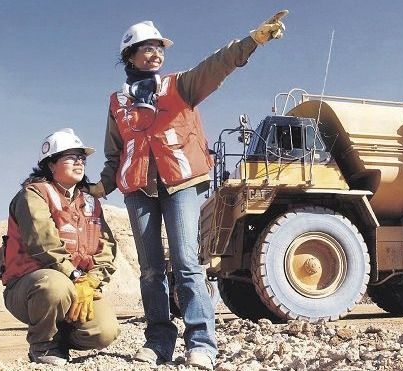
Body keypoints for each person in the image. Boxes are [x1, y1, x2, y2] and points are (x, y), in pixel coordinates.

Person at [87, 10, 288, 370]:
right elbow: (115, 151)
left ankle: (201, 343)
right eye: (146, 48)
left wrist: (252, 41)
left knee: (187, 264)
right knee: (149, 270)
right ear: (129, 57)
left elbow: (217, 65)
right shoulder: (118, 102)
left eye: (159, 48)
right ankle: (158, 342)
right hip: (138, 189)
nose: (156, 53)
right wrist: (102, 185)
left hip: (181, 183)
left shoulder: (180, 85)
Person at [1, 128, 119, 366]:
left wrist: (92, 280)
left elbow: (106, 249)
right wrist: (76, 276)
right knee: (54, 285)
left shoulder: (90, 203)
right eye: (71, 156)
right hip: (31, 288)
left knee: (105, 330)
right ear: (51, 164)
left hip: (76, 284)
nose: (80, 162)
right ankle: (43, 345)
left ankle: (60, 337)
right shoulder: (32, 195)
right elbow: (44, 244)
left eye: (82, 157)